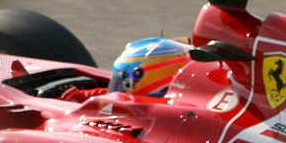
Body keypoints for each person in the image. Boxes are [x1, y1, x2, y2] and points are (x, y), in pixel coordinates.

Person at [60, 37, 192, 102]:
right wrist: (77, 96)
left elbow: (116, 97)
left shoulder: (138, 110)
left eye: (123, 81)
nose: (118, 86)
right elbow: (110, 94)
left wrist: (70, 100)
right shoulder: (187, 100)